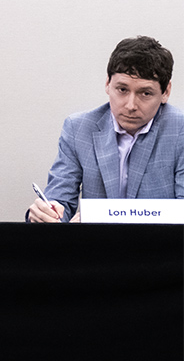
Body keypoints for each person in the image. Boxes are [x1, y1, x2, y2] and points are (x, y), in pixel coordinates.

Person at [28, 36, 181, 223]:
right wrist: (47, 213)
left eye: (146, 93)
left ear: (166, 92)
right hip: (95, 242)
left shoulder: (180, 131)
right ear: (108, 83)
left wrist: (101, 216)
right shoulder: (78, 128)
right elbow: (60, 199)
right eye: (122, 90)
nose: (131, 105)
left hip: (159, 242)